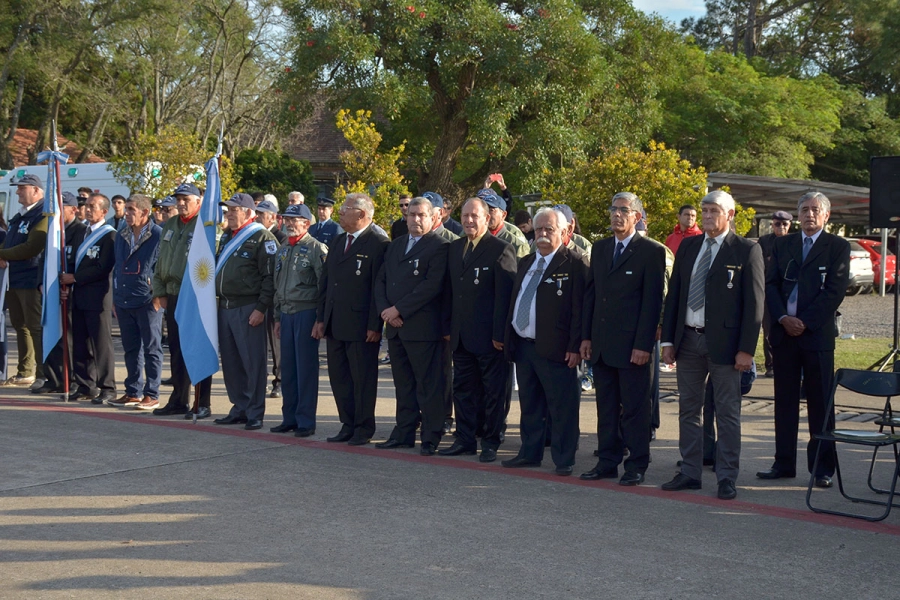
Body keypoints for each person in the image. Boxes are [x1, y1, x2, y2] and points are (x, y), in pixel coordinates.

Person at [660, 190, 764, 501]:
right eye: (704, 210)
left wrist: (747, 350)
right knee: (689, 409)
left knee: (727, 413)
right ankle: (690, 471)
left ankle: (726, 476)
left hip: (726, 347)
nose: (706, 216)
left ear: (730, 215)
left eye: (713, 211)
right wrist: (668, 340)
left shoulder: (746, 250)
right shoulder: (690, 246)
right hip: (688, 340)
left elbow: (755, 305)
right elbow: (675, 296)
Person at [757, 193, 850, 489]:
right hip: (784, 333)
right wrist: (783, 317)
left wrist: (805, 322)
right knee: (784, 401)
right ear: (798, 215)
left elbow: (834, 291)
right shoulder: (782, 244)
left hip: (816, 335)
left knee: (820, 403)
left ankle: (822, 468)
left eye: (815, 210)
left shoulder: (837, 246)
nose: (810, 214)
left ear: (826, 215)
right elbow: (771, 284)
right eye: (805, 210)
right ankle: (783, 463)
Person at [579, 193, 667, 485]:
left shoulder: (650, 251)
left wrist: (643, 345)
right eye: (613, 209)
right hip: (602, 345)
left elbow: (652, 303)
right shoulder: (601, 248)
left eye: (624, 210)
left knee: (635, 410)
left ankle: (636, 465)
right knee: (606, 409)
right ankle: (607, 461)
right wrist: (586, 337)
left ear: (637, 217)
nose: (616, 214)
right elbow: (591, 296)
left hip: (633, 348)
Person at [501, 207, 585, 475]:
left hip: (558, 349)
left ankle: (564, 458)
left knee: (562, 407)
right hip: (525, 346)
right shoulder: (526, 261)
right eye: (539, 229)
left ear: (564, 231)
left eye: (549, 229)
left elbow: (580, 310)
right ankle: (530, 453)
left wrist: (575, 346)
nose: (543, 234)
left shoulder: (575, 263)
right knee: (530, 404)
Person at [439, 197, 517, 462]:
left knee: (494, 392)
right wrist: (448, 326)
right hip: (460, 336)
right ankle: (465, 439)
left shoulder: (501, 249)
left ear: (487, 218)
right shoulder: (455, 248)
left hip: (490, 339)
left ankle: (491, 442)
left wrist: (500, 335)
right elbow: (449, 291)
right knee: (463, 390)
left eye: (475, 216)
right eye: (465, 216)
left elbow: (505, 297)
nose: (469, 220)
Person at [374, 197, 450, 455]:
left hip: (422, 329)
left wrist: (399, 309)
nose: (416, 219)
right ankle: (404, 432)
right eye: (412, 214)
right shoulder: (395, 245)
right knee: (403, 385)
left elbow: (431, 286)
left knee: (428, 386)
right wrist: (386, 311)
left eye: (421, 215)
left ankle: (430, 436)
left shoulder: (440, 246)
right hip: (396, 328)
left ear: (433, 217)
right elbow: (381, 280)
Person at [313, 193, 390, 445]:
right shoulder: (338, 241)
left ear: (361, 214)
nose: (340, 212)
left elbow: (378, 288)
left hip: (361, 326)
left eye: (345, 209)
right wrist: (321, 317)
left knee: (362, 379)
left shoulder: (378, 244)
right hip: (335, 322)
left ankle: (363, 428)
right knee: (340, 378)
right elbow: (326, 282)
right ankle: (347, 423)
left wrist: (375, 325)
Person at [210, 193, 277, 430]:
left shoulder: (262, 237)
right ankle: (239, 407)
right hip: (225, 307)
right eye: (227, 210)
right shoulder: (226, 236)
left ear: (248, 213)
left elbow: (270, 278)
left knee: (252, 363)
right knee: (231, 362)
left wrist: (261, 308)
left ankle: (255, 411)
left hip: (248, 307)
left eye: (233, 210)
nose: (228, 214)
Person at [151, 182, 213, 417]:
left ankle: (202, 402)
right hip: (172, 294)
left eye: (186, 199)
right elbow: (161, 260)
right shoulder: (171, 224)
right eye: (178, 199)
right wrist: (160, 291)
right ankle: (179, 399)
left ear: (198, 201)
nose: (181, 203)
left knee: (197, 348)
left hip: (194, 295)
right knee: (177, 350)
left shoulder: (204, 225)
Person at [270, 204, 327, 436]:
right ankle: (289, 417)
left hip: (306, 313)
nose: (290, 224)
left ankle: (305, 421)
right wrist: (277, 317)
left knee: (305, 370)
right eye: (287, 219)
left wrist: (320, 319)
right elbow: (277, 284)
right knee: (289, 369)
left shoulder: (316, 248)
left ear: (307, 223)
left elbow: (324, 287)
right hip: (286, 313)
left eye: (295, 220)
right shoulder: (283, 248)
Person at [105, 194, 164, 409]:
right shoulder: (122, 233)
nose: (127, 214)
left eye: (131, 209)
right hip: (124, 299)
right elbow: (117, 267)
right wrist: (115, 296)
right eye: (127, 209)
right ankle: (133, 391)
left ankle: (152, 393)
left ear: (145, 212)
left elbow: (162, 267)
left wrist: (157, 297)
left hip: (148, 300)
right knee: (131, 349)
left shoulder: (158, 235)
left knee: (151, 348)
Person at [59, 193, 117, 403]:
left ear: (104, 211)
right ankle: (85, 385)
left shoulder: (109, 235)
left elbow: (103, 267)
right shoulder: (83, 232)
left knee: (101, 345)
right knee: (80, 344)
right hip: (79, 295)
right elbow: (74, 260)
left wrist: (75, 277)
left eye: (93, 206)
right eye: (87, 206)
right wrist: (68, 282)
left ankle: (107, 387)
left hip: (98, 297)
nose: (88, 209)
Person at [33, 192, 85, 394]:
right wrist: (41, 283)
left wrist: (70, 287)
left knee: (68, 338)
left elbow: (79, 263)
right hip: (51, 292)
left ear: (74, 209)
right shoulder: (53, 230)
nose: (57, 213)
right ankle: (53, 378)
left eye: (62, 208)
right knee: (50, 334)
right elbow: (44, 261)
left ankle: (70, 378)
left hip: (69, 292)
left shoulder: (80, 231)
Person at [0, 174, 48, 388]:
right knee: (20, 325)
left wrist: (2, 254)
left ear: (36, 190)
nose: (18, 191)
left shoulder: (42, 214)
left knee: (35, 326)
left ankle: (43, 373)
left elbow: (32, 247)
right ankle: (25, 371)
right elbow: (11, 243)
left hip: (30, 277)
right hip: (15, 277)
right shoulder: (21, 215)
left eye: (22, 188)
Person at [756, 210, 793, 377]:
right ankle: (770, 364)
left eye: (785, 224)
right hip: (768, 291)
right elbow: (758, 264)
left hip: (788, 292)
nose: (781, 227)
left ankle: (787, 362)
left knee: (789, 327)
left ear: (789, 225)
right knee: (769, 328)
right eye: (778, 224)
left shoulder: (794, 241)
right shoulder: (764, 242)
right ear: (772, 225)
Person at [257, 198, 286, 397]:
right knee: (260, 344)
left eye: (261, 214)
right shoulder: (256, 235)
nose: (258, 217)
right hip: (258, 296)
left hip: (274, 297)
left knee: (276, 343)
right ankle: (261, 379)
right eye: (257, 213)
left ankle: (279, 380)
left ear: (272, 217)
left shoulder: (280, 237)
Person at [477, 189, 530, 259]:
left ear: (503, 215)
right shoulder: (475, 239)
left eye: (491, 210)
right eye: (484, 210)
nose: (487, 214)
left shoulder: (516, 245)